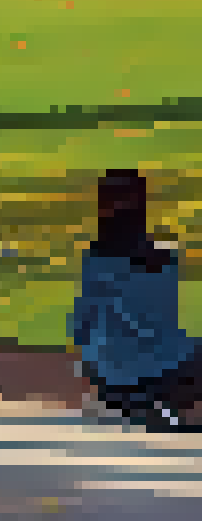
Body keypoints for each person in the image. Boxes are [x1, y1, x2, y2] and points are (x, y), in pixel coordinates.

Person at [73, 169, 202, 431]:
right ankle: (159, 405)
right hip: (160, 372)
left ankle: (143, 404)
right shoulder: (165, 260)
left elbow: (80, 326)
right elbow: (167, 321)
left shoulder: (95, 260)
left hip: (110, 377)